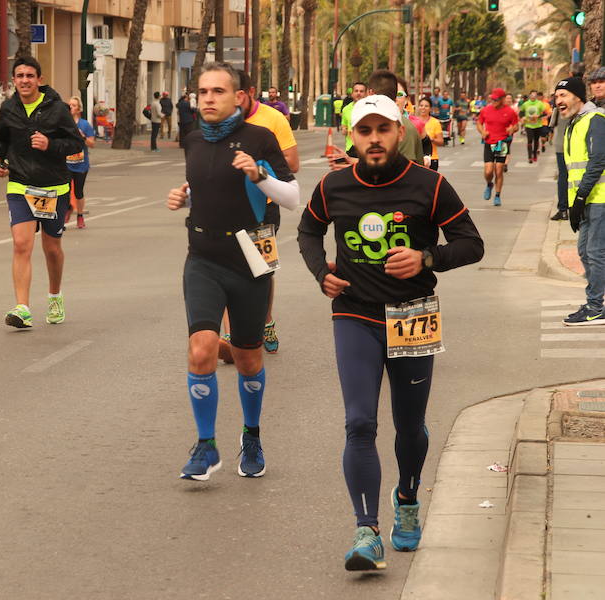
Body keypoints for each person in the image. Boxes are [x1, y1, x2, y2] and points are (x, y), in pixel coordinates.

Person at [297, 94, 484, 571]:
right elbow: (307, 231)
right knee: (359, 422)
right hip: (355, 314)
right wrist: (321, 272)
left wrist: (426, 257)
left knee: (408, 424)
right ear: (352, 138)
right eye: (365, 131)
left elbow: (471, 244)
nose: (374, 139)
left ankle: (407, 498)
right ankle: (367, 531)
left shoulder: (430, 185)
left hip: (412, 314)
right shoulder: (333, 186)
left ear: (401, 133)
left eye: (383, 130)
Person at [166, 62, 299, 481]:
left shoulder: (260, 138)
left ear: (238, 97)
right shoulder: (191, 140)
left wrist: (259, 174)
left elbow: (292, 196)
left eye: (217, 92)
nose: (207, 99)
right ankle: (206, 446)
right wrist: (182, 200)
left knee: (247, 357)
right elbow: (210, 192)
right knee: (202, 348)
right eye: (202, 92)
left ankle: (252, 435)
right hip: (202, 256)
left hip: (248, 259)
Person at [0, 56, 85, 329]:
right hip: (20, 183)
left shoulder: (57, 109)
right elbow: (0, 138)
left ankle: (55, 296)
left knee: (52, 248)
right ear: (14, 80)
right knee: (21, 243)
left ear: (39, 80)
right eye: (19, 76)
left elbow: (75, 143)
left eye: (29, 75)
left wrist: (50, 144)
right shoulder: (9, 108)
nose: (24, 80)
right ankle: (22, 308)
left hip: (53, 186)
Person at [214, 69, 301, 361]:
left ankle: (266, 322)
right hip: (225, 205)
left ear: (248, 92)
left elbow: (293, 163)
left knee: (261, 269)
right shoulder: (220, 123)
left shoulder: (272, 120)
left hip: (263, 204)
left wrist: (258, 165)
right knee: (225, 268)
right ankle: (229, 334)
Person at [555, 77, 605, 325]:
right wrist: (571, 204)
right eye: (556, 97)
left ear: (577, 96)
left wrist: (581, 197)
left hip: (599, 199)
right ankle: (596, 302)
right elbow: (570, 170)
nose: (558, 101)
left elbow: (597, 161)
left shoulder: (595, 120)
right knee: (585, 252)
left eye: (563, 96)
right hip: (585, 201)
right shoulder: (573, 124)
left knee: (595, 253)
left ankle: (595, 307)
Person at [477, 88, 518, 206]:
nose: (493, 101)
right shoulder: (485, 110)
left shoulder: (510, 112)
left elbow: (516, 126)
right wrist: (482, 132)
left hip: (502, 143)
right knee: (489, 170)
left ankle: (497, 195)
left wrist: (512, 129)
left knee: (499, 170)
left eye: (496, 99)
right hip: (489, 142)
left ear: (502, 99)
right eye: (492, 99)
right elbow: (479, 123)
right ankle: (489, 184)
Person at [66, 95, 95, 229]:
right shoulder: (64, 123)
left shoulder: (84, 124)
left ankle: (80, 216)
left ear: (79, 109)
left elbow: (92, 143)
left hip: (80, 164)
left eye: (73, 105)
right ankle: (66, 210)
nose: (70, 107)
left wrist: (82, 136)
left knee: (78, 192)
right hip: (65, 163)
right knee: (64, 191)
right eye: (69, 105)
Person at [548, 101, 570, 221]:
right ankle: (568, 208)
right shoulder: (583, 106)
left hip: (561, 146)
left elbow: (552, 124)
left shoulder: (558, 107)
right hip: (571, 146)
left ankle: (563, 210)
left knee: (563, 176)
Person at [521, 90, 551, 163]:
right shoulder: (526, 104)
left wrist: (538, 116)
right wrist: (523, 117)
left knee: (536, 140)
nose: (533, 96)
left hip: (538, 125)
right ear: (530, 95)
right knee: (530, 141)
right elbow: (521, 113)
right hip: (528, 125)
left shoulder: (540, 103)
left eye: (535, 95)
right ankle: (529, 157)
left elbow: (545, 113)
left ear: (536, 96)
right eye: (532, 95)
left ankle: (534, 154)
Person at [341, 82, 368, 158]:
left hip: (366, 148)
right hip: (351, 148)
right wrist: (344, 129)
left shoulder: (371, 108)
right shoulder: (346, 109)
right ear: (352, 93)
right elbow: (344, 126)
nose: (358, 93)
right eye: (356, 91)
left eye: (361, 91)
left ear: (366, 94)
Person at [416, 97, 443, 171]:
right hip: (416, 159)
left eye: (426, 106)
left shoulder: (435, 122)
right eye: (421, 105)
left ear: (430, 109)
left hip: (432, 158)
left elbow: (441, 142)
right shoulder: (414, 121)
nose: (423, 108)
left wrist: (431, 139)